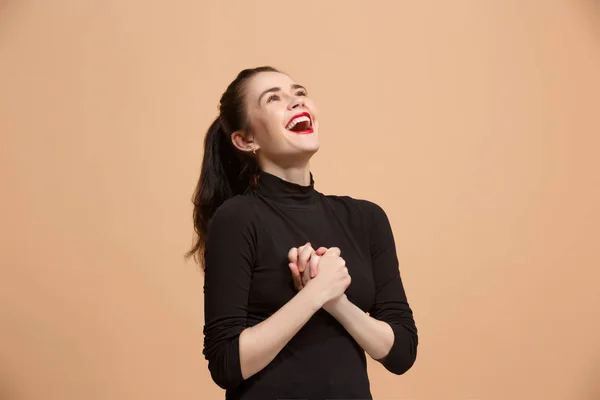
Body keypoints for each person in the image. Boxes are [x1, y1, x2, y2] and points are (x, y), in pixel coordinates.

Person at [187, 66, 418, 400]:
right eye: (274, 99)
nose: (296, 102)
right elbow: (225, 364)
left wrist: (335, 300)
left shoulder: (366, 219)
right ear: (245, 139)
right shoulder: (237, 218)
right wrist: (312, 295)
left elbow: (402, 353)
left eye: (299, 93)